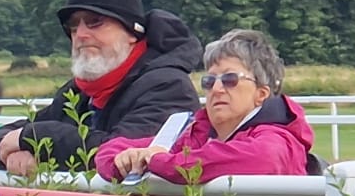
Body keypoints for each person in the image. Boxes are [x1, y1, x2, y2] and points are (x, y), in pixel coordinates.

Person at [0, 0, 200, 174]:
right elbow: (3, 138)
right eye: (73, 26)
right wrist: (8, 148)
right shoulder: (77, 92)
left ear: (132, 33)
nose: (81, 34)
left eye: (95, 21)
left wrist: (31, 138)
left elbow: (116, 155)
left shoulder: (169, 88)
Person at [94, 28, 317, 184]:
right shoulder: (194, 135)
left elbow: (264, 157)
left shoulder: (278, 141)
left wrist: (156, 161)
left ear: (261, 94)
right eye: (209, 81)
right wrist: (122, 162)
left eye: (230, 79)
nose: (217, 89)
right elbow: (110, 150)